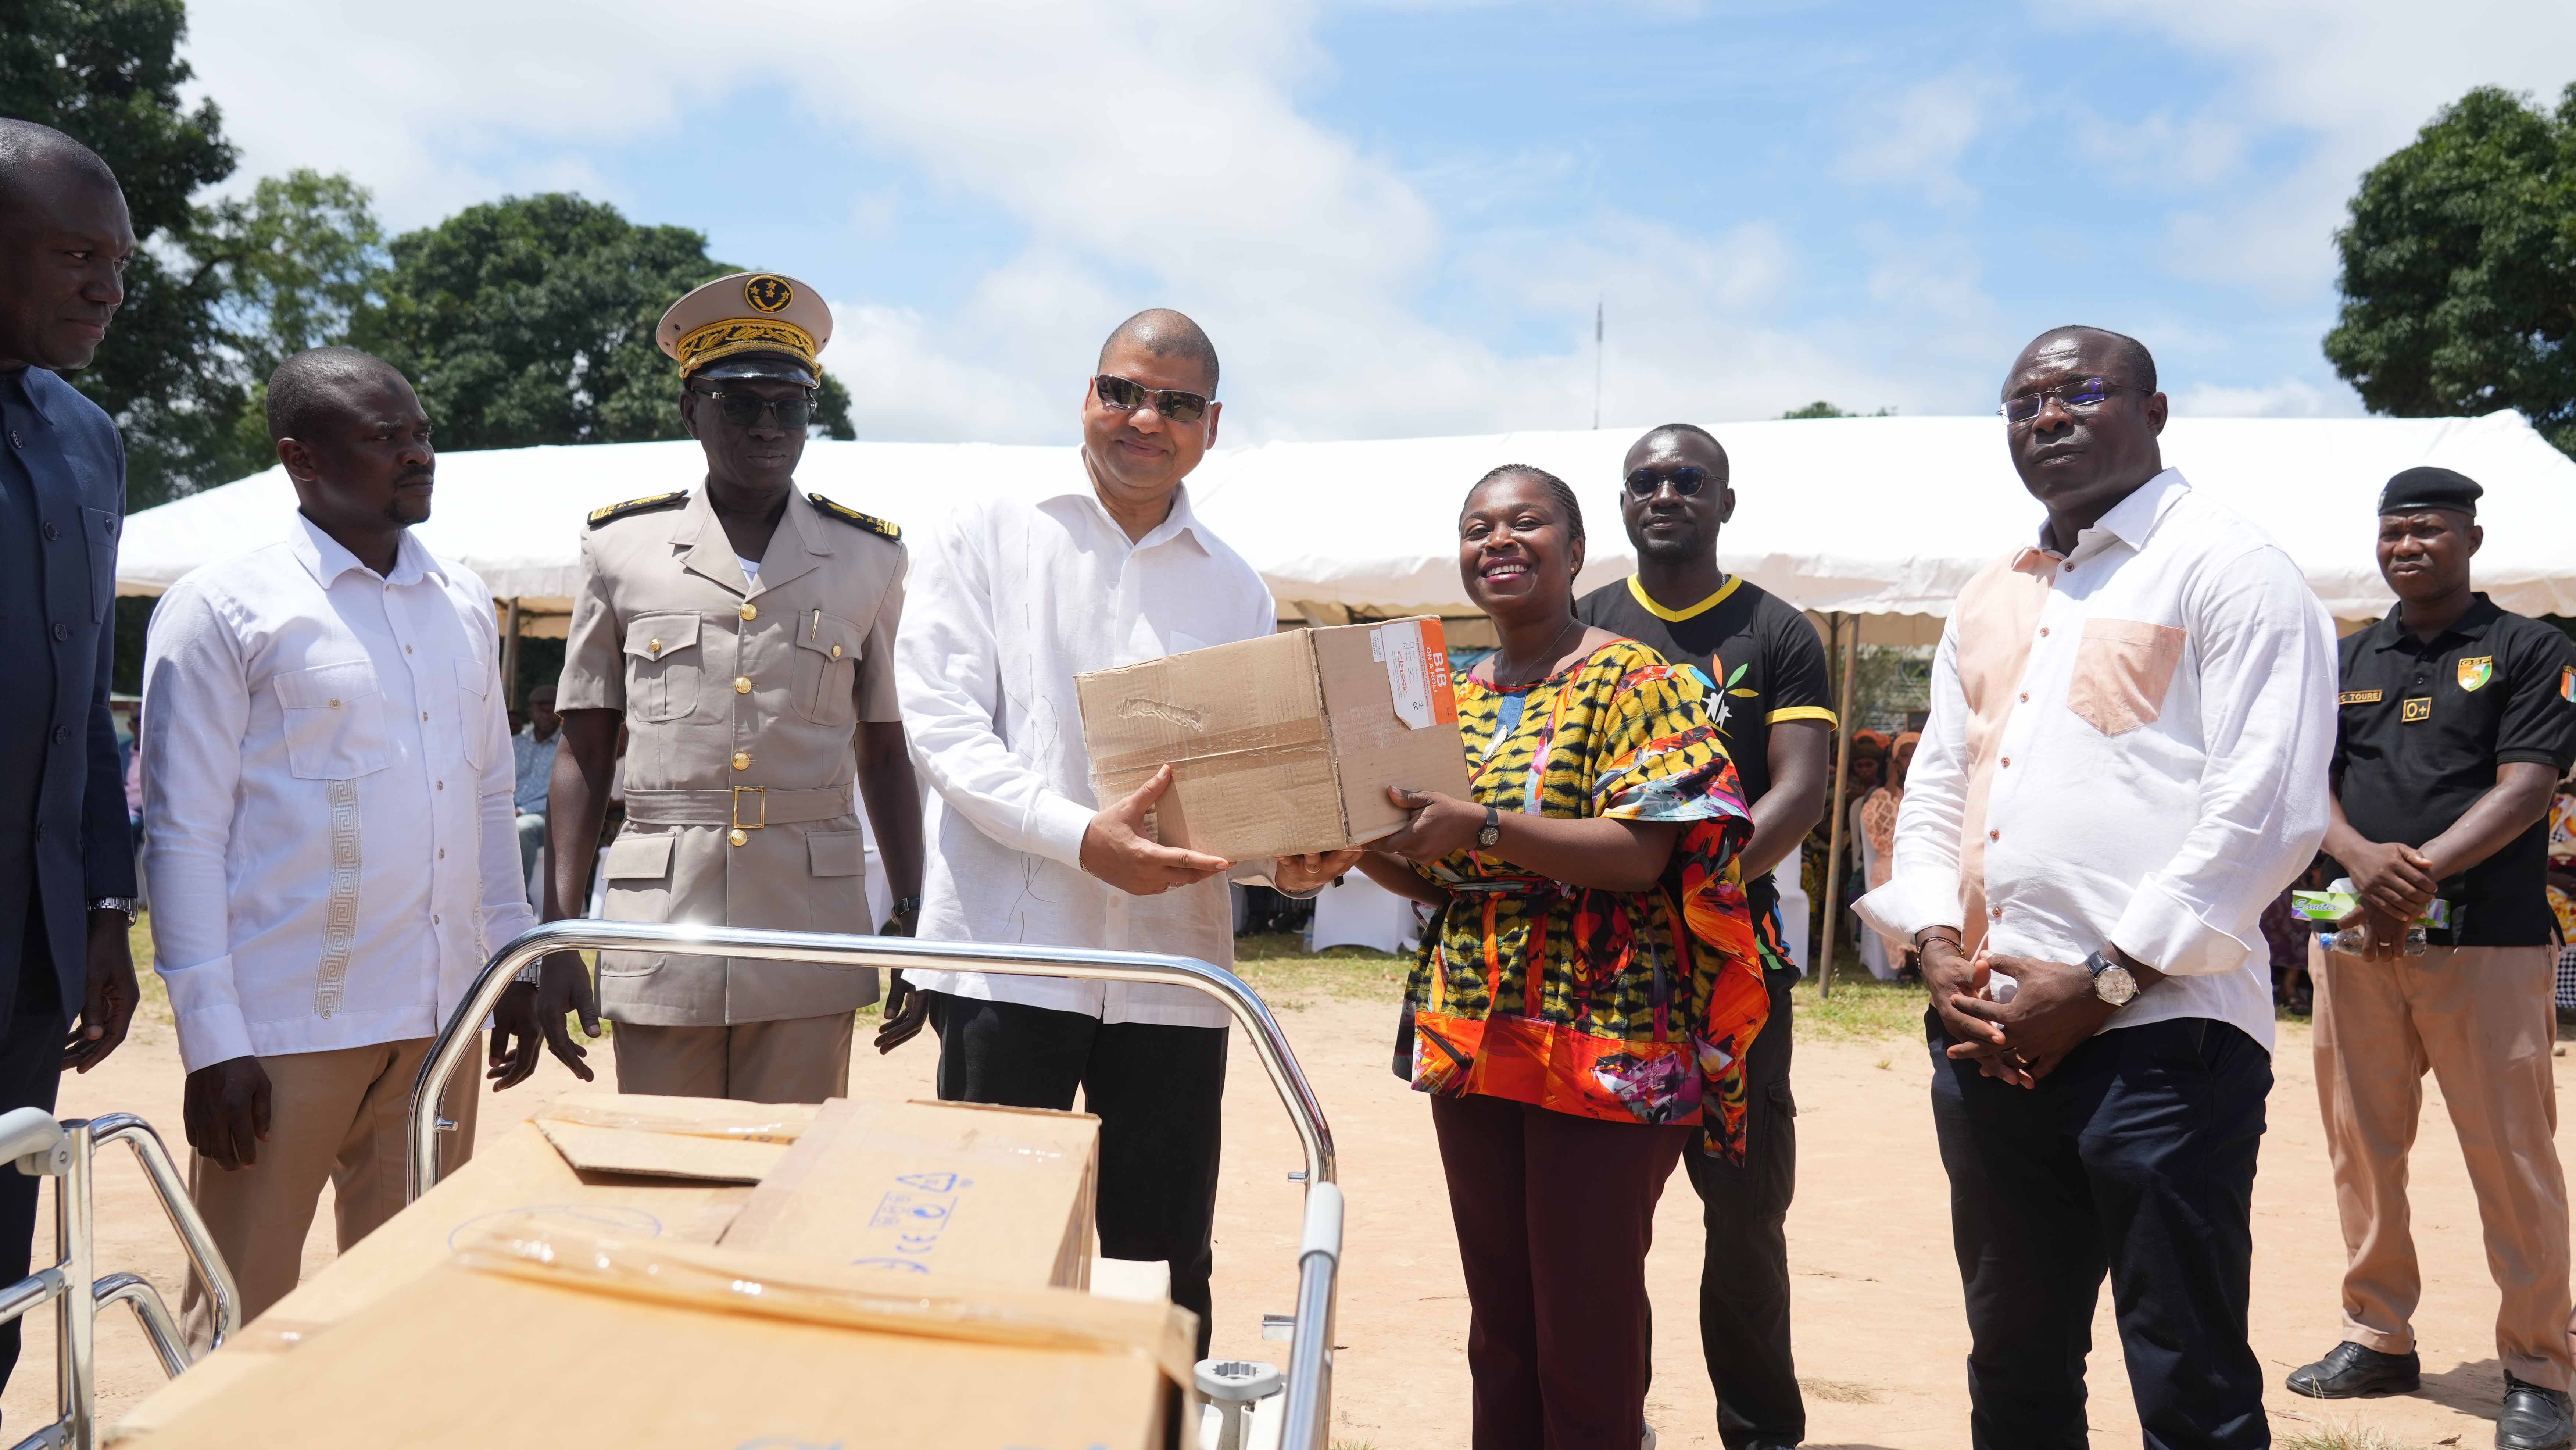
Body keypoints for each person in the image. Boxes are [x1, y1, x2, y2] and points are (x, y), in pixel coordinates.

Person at [1856, 325, 2335, 1448]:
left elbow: (2265, 807)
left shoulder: (2229, 567)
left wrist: (2105, 979)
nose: (2047, 417)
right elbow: (1934, 790)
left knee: (2186, 1373)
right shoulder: (1989, 592)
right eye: (2022, 403)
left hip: (2163, 1038)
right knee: (2015, 1362)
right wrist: (1931, 946)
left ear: (2154, 411)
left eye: (2080, 392)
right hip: (1987, 1033)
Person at [886, 309, 1353, 1360]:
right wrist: (1074, 836)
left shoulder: (1235, 585)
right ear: (1087, 395)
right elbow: (945, 729)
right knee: (991, 1255)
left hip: (1172, 974)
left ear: (1212, 427)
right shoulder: (985, 528)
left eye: (1177, 405)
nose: (1146, 420)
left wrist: (1296, 857)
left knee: (1163, 1261)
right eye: (1123, 392)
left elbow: (1249, 777)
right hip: (1015, 957)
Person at [1353, 463, 1768, 1448]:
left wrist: (1486, 827)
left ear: (1575, 552)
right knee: (1501, 1323)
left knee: (1584, 1327)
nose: (1497, 540)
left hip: (1607, 1034)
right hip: (1472, 1027)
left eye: (1525, 523)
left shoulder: (1633, 677)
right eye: (1476, 527)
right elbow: (1437, 880)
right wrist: (1366, 852)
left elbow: (1643, 854)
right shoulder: (1441, 697)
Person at [140, 347, 533, 1338]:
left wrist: (511, 968)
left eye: (422, 434)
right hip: (283, 1037)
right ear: (300, 459)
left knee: (409, 1317)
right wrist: (213, 1039)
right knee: (236, 1318)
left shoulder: (461, 602)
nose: (419, 455)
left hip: (438, 1020)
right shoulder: (227, 607)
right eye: (384, 437)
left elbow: (488, 797)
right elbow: (185, 833)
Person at [516, 272, 925, 1103]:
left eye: (791, 404)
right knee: (666, 1178)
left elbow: (885, 751)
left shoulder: (868, 558)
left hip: (810, 926)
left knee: (788, 1180)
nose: (770, 426)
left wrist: (919, 920)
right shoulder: (620, 549)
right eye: (741, 404)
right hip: (664, 921)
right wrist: (558, 932)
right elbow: (585, 749)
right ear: (689, 411)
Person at [2288, 466, 2576, 1450]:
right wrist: (2362, 864)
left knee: (2512, 1157)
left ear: (2472, 540)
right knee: (2363, 1148)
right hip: (2355, 939)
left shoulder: (2529, 648)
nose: (2408, 547)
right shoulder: (2347, 655)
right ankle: (2378, 1334)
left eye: (2429, 531)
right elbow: (2310, 785)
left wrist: (2417, 874)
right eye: (2395, 532)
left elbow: (2530, 785)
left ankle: (2539, 1368)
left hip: (2485, 946)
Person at [1572, 422, 1831, 1449]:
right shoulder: (1584, 624)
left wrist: (1696, 887)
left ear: (1726, 502)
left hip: (1734, 972)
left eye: (1689, 479)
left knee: (1744, 1221)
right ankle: (1603, 1427)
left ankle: (1762, 1432)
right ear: (1623, 504)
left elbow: (1800, 790)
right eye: (1645, 481)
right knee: (1596, 1230)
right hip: (1599, 975)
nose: (1665, 492)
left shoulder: (1777, 631)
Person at [0, 119, 143, 1396]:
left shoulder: (90, 438)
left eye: (120, 263)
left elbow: (86, 690)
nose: (106, 288)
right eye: (74, 255)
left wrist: (107, 902)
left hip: (33, 951)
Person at [511, 684, 562, 902]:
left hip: (545, 818)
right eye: (539, 709)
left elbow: (562, 796)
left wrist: (521, 811)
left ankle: (517, 899)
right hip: (508, 812)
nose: (545, 715)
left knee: (523, 829)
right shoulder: (515, 744)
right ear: (530, 712)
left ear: (560, 713)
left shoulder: (568, 746)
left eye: (550, 709)